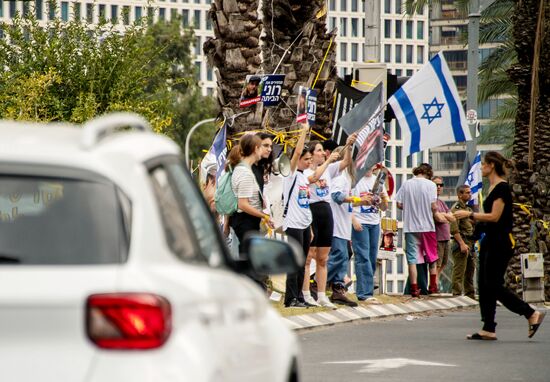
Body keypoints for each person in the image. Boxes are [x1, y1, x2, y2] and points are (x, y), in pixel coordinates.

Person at [453, 151, 545, 340]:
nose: (481, 167)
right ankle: (488, 327)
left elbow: (495, 216)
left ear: (491, 165)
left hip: (501, 241)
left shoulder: (501, 188)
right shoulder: (492, 187)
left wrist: (469, 215)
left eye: (484, 164)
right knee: (484, 284)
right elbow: (487, 221)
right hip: (490, 240)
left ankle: (530, 313)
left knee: (493, 284)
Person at [301, 135, 356, 308]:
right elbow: (314, 178)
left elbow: (346, 162)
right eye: (318, 151)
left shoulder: (330, 169)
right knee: (309, 256)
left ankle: (322, 294)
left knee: (323, 258)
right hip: (312, 210)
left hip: (326, 210)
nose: (322, 153)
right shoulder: (306, 171)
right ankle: (306, 293)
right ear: (311, 154)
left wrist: (349, 145)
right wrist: (328, 162)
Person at [395, 163, 454, 297]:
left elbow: (399, 204)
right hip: (427, 227)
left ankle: (414, 288)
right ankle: (433, 286)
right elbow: (434, 206)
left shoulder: (406, 184)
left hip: (410, 227)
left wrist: (410, 206)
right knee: (431, 258)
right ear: (429, 174)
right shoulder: (430, 185)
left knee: (413, 259)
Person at [282, 124, 313, 308]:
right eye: (306, 159)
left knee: (302, 263)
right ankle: (290, 298)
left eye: (310, 159)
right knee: (294, 262)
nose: (309, 162)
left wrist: (310, 228)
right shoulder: (291, 174)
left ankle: (299, 296)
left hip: (304, 224)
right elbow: (296, 152)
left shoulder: (303, 177)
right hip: (292, 224)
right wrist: (303, 131)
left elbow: (305, 204)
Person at [229, 134, 274, 256]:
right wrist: (264, 216)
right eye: (262, 147)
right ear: (255, 149)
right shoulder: (245, 173)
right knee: (247, 263)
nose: (266, 150)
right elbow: (242, 204)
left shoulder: (244, 169)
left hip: (246, 222)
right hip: (245, 222)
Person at [327, 149, 361, 307]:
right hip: (336, 224)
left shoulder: (346, 178)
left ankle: (338, 288)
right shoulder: (339, 177)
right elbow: (336, 196)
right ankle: (316, 282)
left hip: (343, 225)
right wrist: (355, 199)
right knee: (339, 255)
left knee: (344, 255)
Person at [351, 165, 388, 303]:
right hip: (360, 221)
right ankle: (364, 293)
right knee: (363, 257)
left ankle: (367, 290)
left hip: (374, 222)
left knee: (372, 257)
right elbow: (347, 203)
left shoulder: (377, 181)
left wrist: (383, 199)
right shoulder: (356, 180)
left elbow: (384, 207)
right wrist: (353, 220)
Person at [450, 185, 476, 299]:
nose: (470, 194)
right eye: (467, 192)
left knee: (470, 270)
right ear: (460, 194)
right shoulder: (456, 209)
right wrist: (461, 244)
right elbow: (454, 230)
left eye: (470, 192)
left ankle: (470, 294)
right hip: (461, 242)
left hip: (470, 243)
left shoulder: (468, 210)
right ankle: (457, 294)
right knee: (459, 270)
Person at [432, 176, 451, 292]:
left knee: (443, 263)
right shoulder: (432, 202)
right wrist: (445, 216)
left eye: (441, 185)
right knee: (437, 264)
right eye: (436, 185)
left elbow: (452, 217)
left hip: (446, 237)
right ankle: (434, 285)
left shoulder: (442, 202)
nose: (439, 187)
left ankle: (435, 283)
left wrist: (444, 216)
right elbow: (438, 218)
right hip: (437, 237)